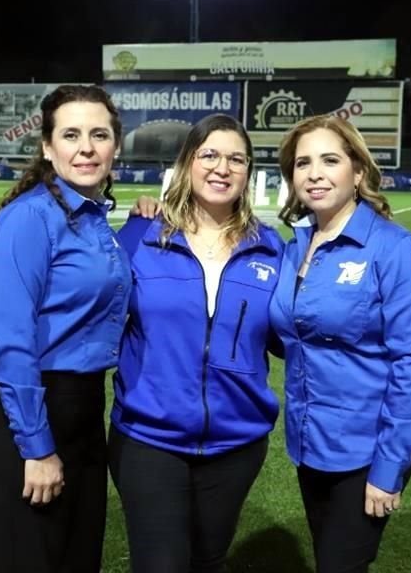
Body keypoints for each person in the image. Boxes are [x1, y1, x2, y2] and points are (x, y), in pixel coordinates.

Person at [110, 114, 286, 573]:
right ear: (188, 162)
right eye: (209, 155)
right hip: (149, 438)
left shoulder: (271, 248)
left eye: (236, 159)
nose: (221, 168)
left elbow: (289, 338)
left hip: (237, 442)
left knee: (209, 560)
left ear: (249, 172)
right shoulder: (140, 235)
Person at [0, 84, 130, 573]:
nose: (86, 147)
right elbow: (14, 345)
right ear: (46, 146)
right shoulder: (29, 219)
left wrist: (147, 216)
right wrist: (37, 448)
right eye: (71, 134)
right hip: (28, 421)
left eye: (99, 134)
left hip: (85, 415)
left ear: (115, 146)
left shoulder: (95, 219)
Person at [268, 115, 411, 573]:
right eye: (302, 163)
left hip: (367, 448)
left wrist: (389, 468)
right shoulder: (293, 246)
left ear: (358, 172)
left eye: (330, 160)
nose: (314, 173)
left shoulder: (394, 249)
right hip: (310, 442)